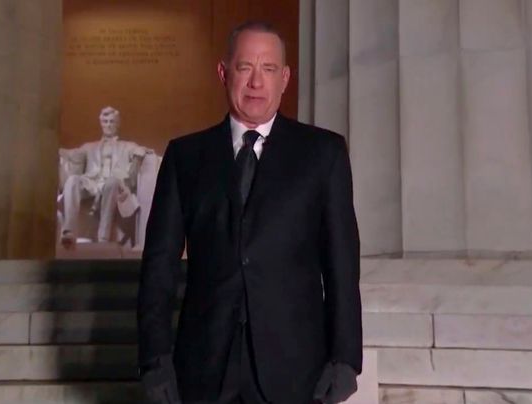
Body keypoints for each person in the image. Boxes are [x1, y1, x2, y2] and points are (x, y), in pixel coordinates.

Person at [138, 21, 362, 404]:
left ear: (285, 78)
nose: (257, 82)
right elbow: (159, 267)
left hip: (294, 372)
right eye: (245, 68)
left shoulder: (323, 154)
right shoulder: (185, 157)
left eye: (269, 69)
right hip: (203, 368)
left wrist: (345, 359)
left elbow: (341, 264)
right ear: (224, 73)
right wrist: (154, 362)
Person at [59, 106, 153, 246]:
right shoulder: (88, 147)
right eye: (106, 122)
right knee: (73, 180)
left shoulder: (127, 146)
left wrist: (142, 152)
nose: (108, 125)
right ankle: (68, 232)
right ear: (101, 124)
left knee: (112, 182)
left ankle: (103, 237)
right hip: (91, 182)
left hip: (113, 185)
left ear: (117, 124)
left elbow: (142, 151)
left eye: (112, 122)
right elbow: (70, 154)